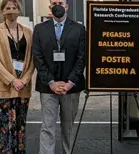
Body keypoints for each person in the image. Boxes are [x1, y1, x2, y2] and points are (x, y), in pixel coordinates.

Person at [32, 0, 86, 153]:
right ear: (50, 6)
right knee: (47, 127)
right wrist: (51, 82)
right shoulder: (39, 29)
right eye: (54, 2)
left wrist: (69, 82)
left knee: (68, 126)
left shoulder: (79, 29)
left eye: (60, 2)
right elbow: (37, 57)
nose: (58, 5)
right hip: (48, 87)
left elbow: (82, 58)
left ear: (66, 6)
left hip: (71, 87)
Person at [0, 0, 34, 153]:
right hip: (4, 87)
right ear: (2, 11)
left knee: (20, 128)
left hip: (23, 87)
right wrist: (12, 80)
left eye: (14, 8)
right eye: (8, 8)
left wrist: (24, 80)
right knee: (6, 129)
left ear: (19, 11)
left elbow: (32, 60)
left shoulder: (28, 32)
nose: (11, 10)